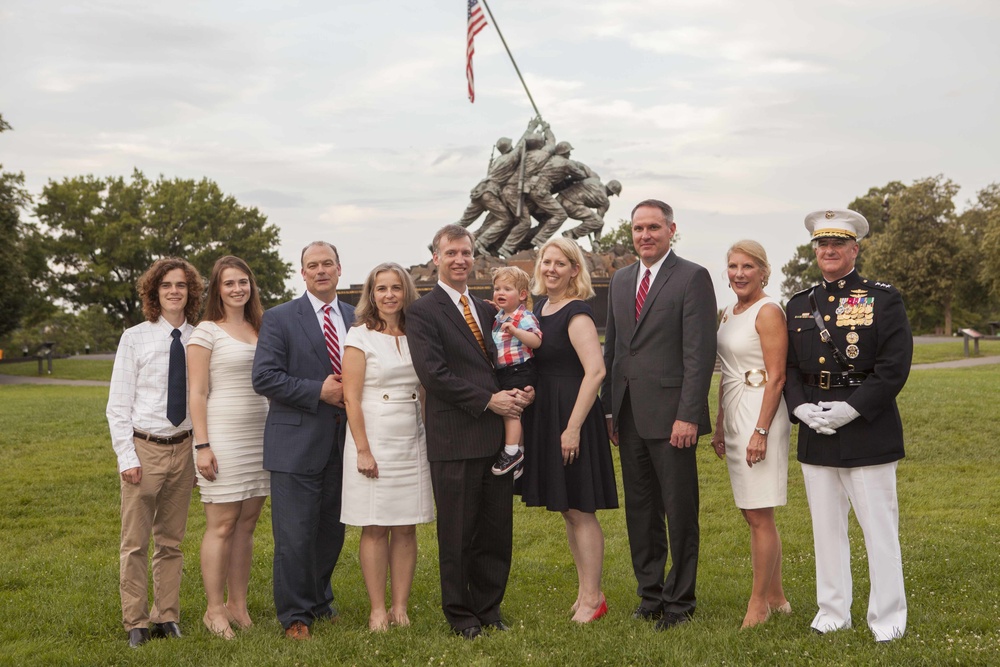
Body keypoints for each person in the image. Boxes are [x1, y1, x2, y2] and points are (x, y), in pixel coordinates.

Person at [783, 209, 912, 643]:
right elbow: (788, 368)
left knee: (879, 528)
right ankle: (832, 611)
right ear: (814, 250)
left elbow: (894, 367)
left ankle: (888, 618)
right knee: (826, 528)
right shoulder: (799, 304)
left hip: (866, 426)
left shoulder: (883, 297)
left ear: (854, 249)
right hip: (815, 425)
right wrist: (800, 409)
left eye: (838, 244)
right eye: (822, 244)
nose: (829, 250)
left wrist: (851, 410)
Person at [406, 224, 532, 640]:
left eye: (466, 252)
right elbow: (434, 375)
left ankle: (489, 607)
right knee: (458, 532)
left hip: (495, 440)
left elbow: (504, 363)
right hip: (455, 438)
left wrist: (519, 389)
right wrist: (488, 401)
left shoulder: (486, 309)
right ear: (436, 258)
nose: (460, 259)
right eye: (451, 253)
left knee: (495, 529)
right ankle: (461, 614)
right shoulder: (422, 312)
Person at [602, 199, 717, 630]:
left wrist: (688, 414)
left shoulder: (692, 277)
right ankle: (649, 594)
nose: (645, 235)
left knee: (679, 510)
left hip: (673, 419)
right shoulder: (620, 280)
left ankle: (680, 600)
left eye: (653, 227)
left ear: (671, 230)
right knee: (641, 510)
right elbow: (613, 350)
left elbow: (699, 353)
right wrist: (609, 411)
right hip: (629, 416)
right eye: (637, 228)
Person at [252, 241, 355, 640]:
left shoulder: (356, 317)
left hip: (344, 442)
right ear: (303, 273)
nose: (321, 270)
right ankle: (295, 614)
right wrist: (319, 391)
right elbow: (264, 377)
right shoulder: (279, 319)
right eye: (313, 265)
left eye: (327, 263)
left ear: (339, 269)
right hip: (295, 444)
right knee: (295, 535)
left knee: (331, 531)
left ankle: (319, 599)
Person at [106, 257, 204, 648]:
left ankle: (167, 615)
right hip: (145, 448)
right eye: (166, 286)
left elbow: (202, 400)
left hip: (183, 449)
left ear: (191, 292)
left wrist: (199, 452)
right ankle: (136, 621)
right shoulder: (135, 337)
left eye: (181, 285)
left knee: (171, 541)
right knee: (135, 542)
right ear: (154, 292)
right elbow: (118, 405)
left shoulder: (200, 338)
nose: (174, 291)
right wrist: (127, 457)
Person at [521, 237, 618, 623]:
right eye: (547, 261)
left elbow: (596, 371)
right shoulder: (541, 308)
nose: (552, 269)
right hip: (547, 413)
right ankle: (585, 592)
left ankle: (594, 599)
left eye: (561, 263)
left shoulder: (576, 312)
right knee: (567, 509)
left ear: (575, 270)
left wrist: (573, 427)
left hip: (571, 416)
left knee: (580, 507)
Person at [341, 262, 435, 632]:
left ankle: (400, 606)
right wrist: (363, 449)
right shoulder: (359, 336)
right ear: (371, 294)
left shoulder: (419, 333)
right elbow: (350, 398)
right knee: (376, 525)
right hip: (374, 435)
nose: (390, 295)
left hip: (412, 435)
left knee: (407, 526)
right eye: (382, 288)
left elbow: (426, 389)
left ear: (406, 292)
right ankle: (377, 609)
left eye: (396, 288)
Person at [188, 256, 270, 639]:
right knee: (221, 525)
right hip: (222, 436)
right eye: (228, 283)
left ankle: (238, 604)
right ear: (217, 290)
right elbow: (197, 391)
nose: (238, 288)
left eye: (243, 282)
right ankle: (213, 609)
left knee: (247, 525)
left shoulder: (261, 327)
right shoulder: (206, 331)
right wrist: (202, 445)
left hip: (260, 436)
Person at [710, 240, 792, 628]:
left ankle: (758, 603)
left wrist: (760, 431)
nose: (739, 273)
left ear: (763, 271)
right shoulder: (728, 312)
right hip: (735, 409)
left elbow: (777, 377)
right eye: (733, 266)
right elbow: (727, 369)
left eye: (748, 266)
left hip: (762, 412)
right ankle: (776, 597)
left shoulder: (769, 310)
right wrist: (720, 422)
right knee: (750, 510)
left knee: (760, 512)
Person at [489, 266, 542, 478]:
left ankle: (510, 452)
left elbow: (536, 341)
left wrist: (516, 331)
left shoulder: (524, 317)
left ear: (522, 295)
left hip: (519, 370)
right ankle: (519, 453)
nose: (500, 292)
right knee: (514, 412)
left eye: (507, 289)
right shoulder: (501, 315)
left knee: (510, 410)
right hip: (505, 371)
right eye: (496, 288)